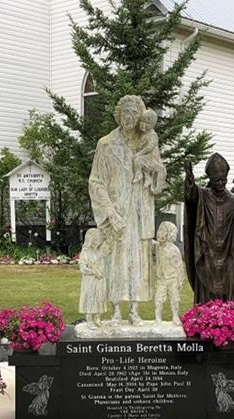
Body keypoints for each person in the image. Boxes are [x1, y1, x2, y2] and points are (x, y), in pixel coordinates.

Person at [89, 95, 160, 324]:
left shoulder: (148, 141)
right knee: (115, 261)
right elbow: (96, 181)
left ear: (139, 117)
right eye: (124, 113)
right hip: (117, 213)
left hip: (139, 213)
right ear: (118, 115)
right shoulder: (106, 144)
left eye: (133, 114)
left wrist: (153, 169)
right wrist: (109, 211)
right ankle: (116, 310)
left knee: (138, 261)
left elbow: (159, 173)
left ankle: (135, 311)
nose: (128, 118)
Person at [183, 153, 234, 304]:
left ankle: (228, 320)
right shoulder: (203, 195)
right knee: (206, 285)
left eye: (223, 180)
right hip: (207, 252)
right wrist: (189, 179)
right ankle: (205, 319)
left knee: (229, 281)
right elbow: (191, 196)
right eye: (216, 180)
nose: (220, 183)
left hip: (228, 253)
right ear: (210, 180)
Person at [153, 221, 184, 323]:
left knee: (174, 298)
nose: (160, 234)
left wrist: (180, 280)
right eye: (160, 231)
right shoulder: (157, 247)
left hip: (173, 278)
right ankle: (158, 317)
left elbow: (179, 266)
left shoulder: (174, 250)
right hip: (161, 277)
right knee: (158, 298)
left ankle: (175, 316)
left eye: (163, 232)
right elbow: (149, 242)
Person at [78, 227, 107, 328]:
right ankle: (89, 319)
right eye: (98, 239)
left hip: (99, 279)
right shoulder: (85, 252)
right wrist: (93, 272)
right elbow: (83, 268)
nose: (100, 241)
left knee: (99, 297)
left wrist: (101, 271)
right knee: (90, 298)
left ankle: (97, 317)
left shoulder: (99, 252)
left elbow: (103, 264)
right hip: (90, 280)